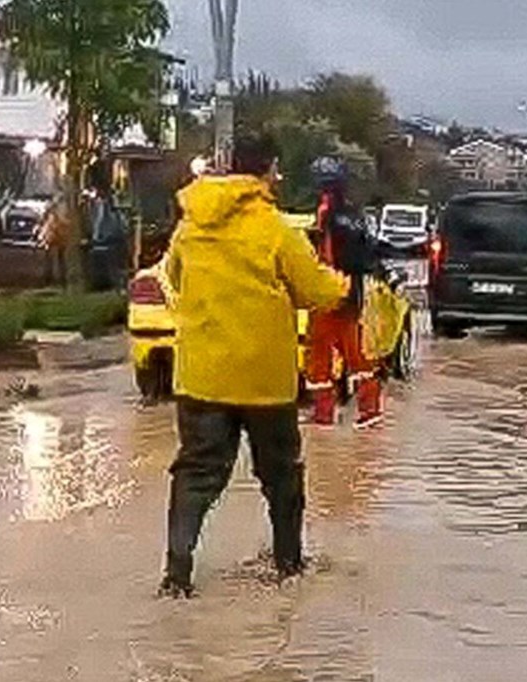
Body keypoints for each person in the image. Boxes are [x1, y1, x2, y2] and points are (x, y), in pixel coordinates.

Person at [158, 142, 349, 598]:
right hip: (265, 380)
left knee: (196, 473)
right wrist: (341, 284)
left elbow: (173, 278)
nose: (279, 179)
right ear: (267, 173)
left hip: (202, 376)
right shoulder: (275, 230)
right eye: (277, 171)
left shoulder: (190, 226)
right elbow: (316, 290)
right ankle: (288, 566)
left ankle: (177, 574)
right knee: (281, 474)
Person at [306, 156, 386, 428]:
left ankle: (324, 414)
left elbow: (324, 255)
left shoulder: (326, 213)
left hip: (330, 291)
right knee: (358, 353)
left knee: (318, 356)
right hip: (354, 292)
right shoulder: (356, 215)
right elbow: (370, 252)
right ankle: (370, 410)